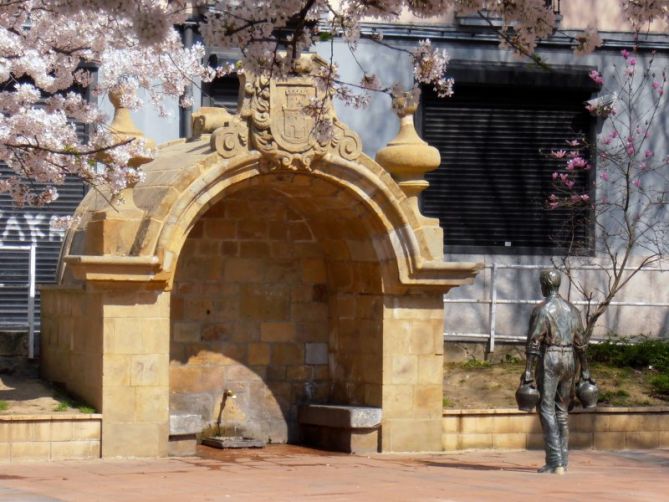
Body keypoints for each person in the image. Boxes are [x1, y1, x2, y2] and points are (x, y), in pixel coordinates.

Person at [521, 270, 590, 474]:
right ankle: (563, 460)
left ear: (544, 284)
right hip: (569, 358)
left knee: (546, 407)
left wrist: (528, 372)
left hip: (550, 358)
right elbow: (581, 344)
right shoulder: (573, 310)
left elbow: (534, 343)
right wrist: (585, 370)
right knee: (561, 410)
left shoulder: (542, 310)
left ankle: (555, 460)